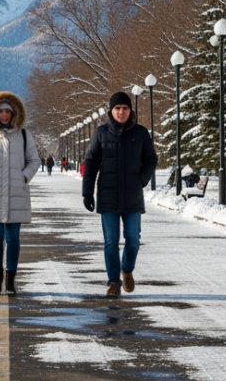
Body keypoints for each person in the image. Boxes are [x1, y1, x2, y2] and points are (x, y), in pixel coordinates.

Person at [82, 91, 157, 298]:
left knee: (133, 240)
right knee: (110, 242)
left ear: (130, 110)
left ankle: (127, 268)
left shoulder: (141, 133)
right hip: (108, 196)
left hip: (132, 196)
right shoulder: (101, 133)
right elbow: (91, 162)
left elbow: (151, 159)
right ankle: (114, 281)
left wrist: (141, 180)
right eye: (117, 108)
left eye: (124, 108)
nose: (121, 112)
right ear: (111, 110)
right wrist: (87, 192)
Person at [0, 91, 41, 296]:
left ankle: (11, 279)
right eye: (0, 111)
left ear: (14, 113)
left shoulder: (23, 135)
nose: (4, 115)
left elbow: (34, 160)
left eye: (8, 111)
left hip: (16, 193)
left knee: (12, 238)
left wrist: (23, 177)